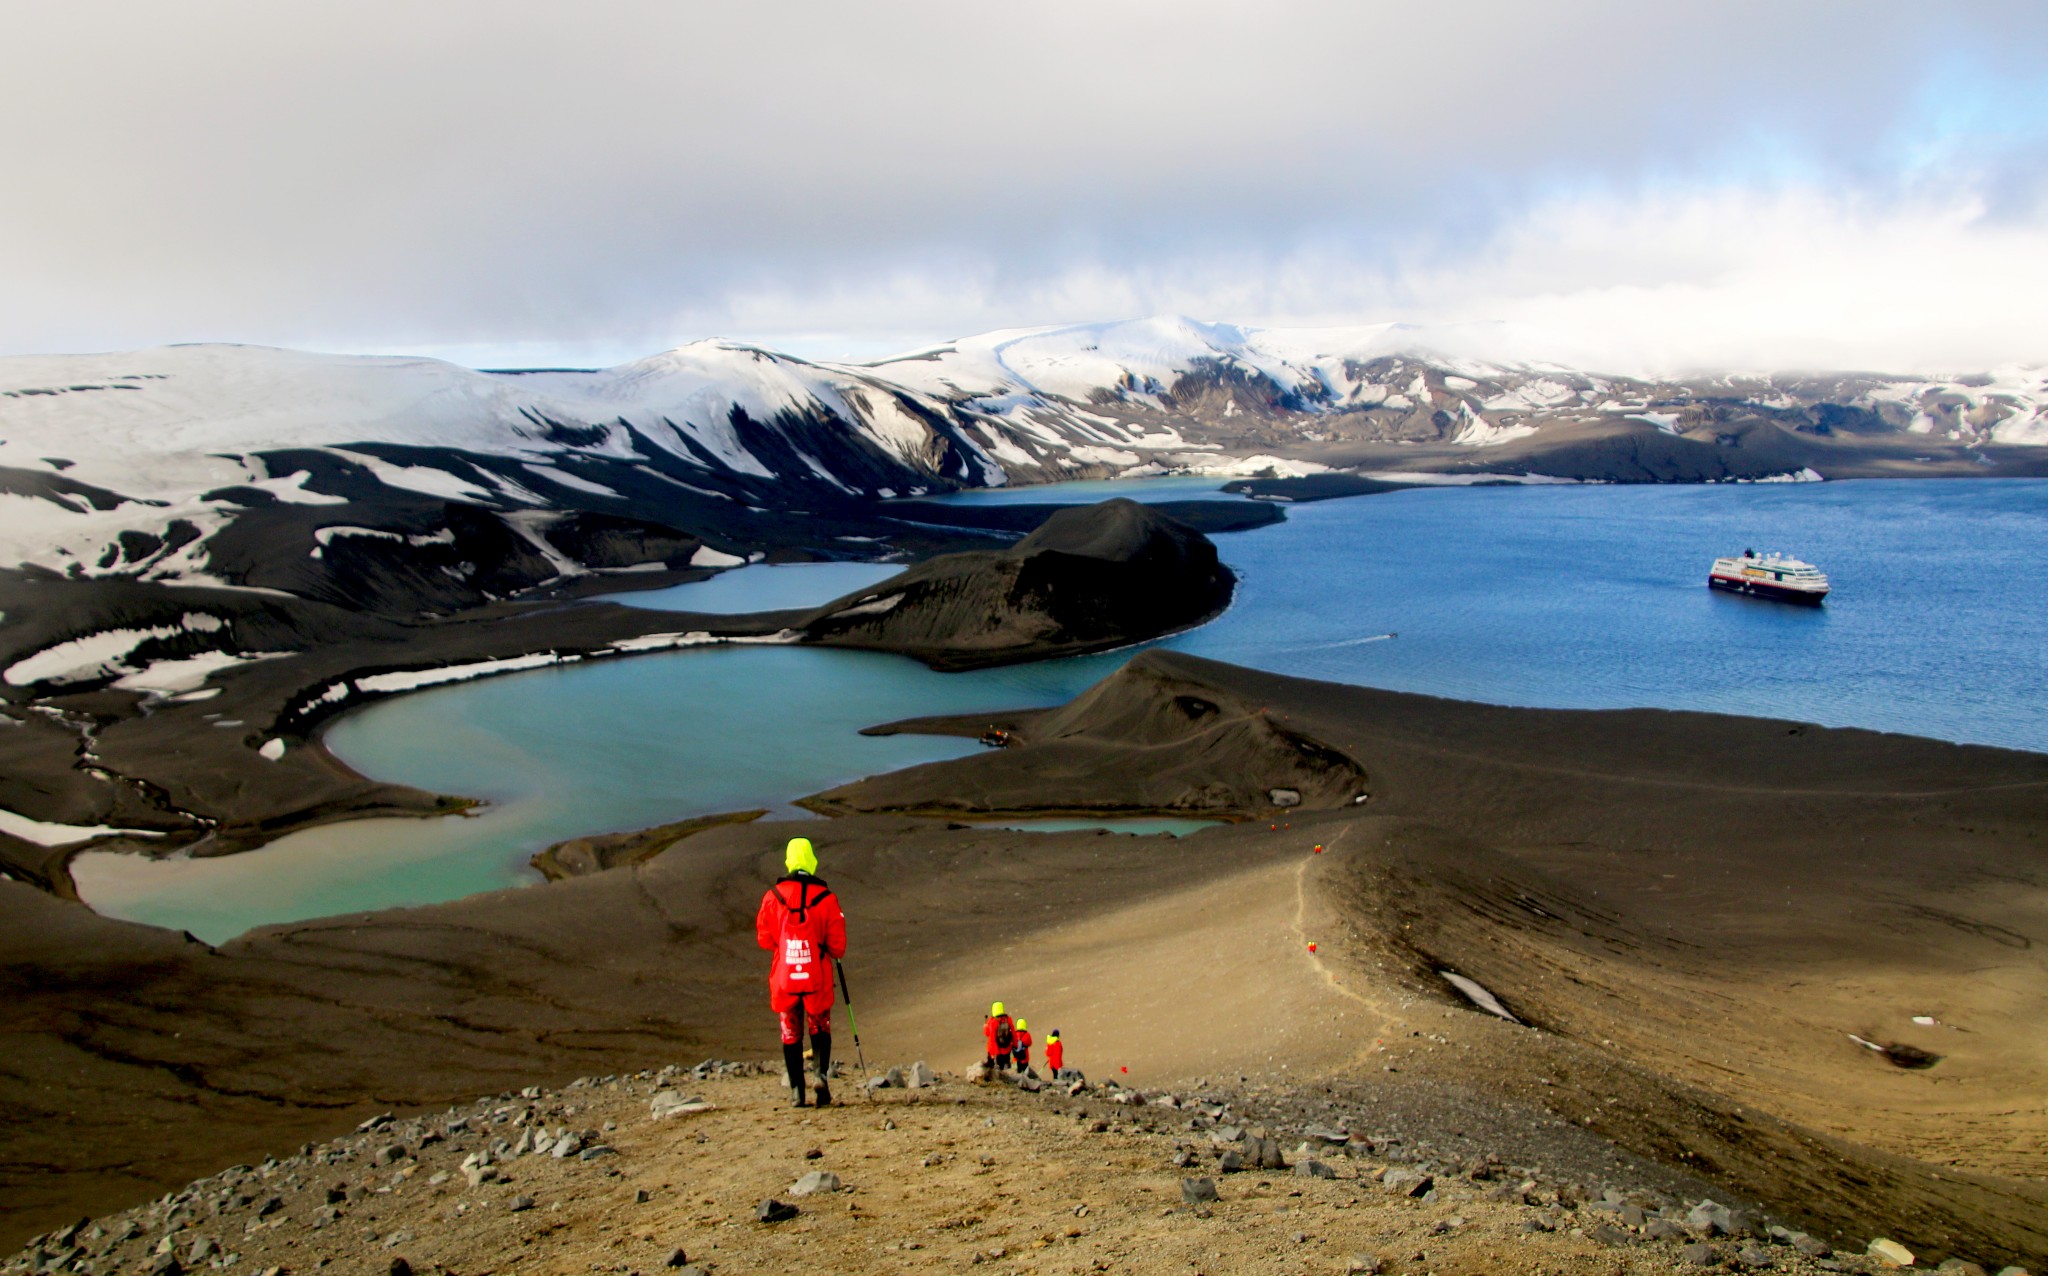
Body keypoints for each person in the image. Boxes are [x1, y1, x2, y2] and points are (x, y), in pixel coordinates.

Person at [755, 836, 847, 1107]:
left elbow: (764, 938)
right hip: (817, 974)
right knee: (820, 1026)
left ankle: (797, 1091)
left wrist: (785, 947)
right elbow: (838, 947)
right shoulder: (827, 898)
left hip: (785, 975)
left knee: (790, 1033)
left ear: (789, 860)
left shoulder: (773, 897)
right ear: (812, 861)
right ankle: (819, 1075)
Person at [983, 1001, 1017, 1073]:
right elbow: (1013, 1032)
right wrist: (1015, 1044)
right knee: (1006, 1063)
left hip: (996, 1050)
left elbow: (990, 1036)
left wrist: (994, 1053)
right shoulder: (1008, 1019)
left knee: (995, 1067)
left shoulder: (992, 1022)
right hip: (1007, 1048)